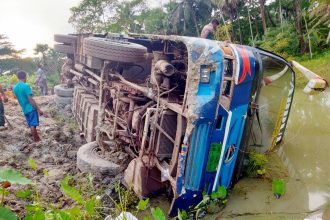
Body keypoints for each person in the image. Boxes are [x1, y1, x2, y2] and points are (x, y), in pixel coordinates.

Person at [13, 71, 43, 142]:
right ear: (25, 77)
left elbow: (19, 100)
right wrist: (38, 109)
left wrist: (23, 107)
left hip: (25, 109)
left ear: (18, 77)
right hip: (31, 108)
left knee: (31, 125)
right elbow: (31, 99)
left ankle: (36, 139)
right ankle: (37, 140)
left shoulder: (15, 88)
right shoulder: (26, 86)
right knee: (33, 125)